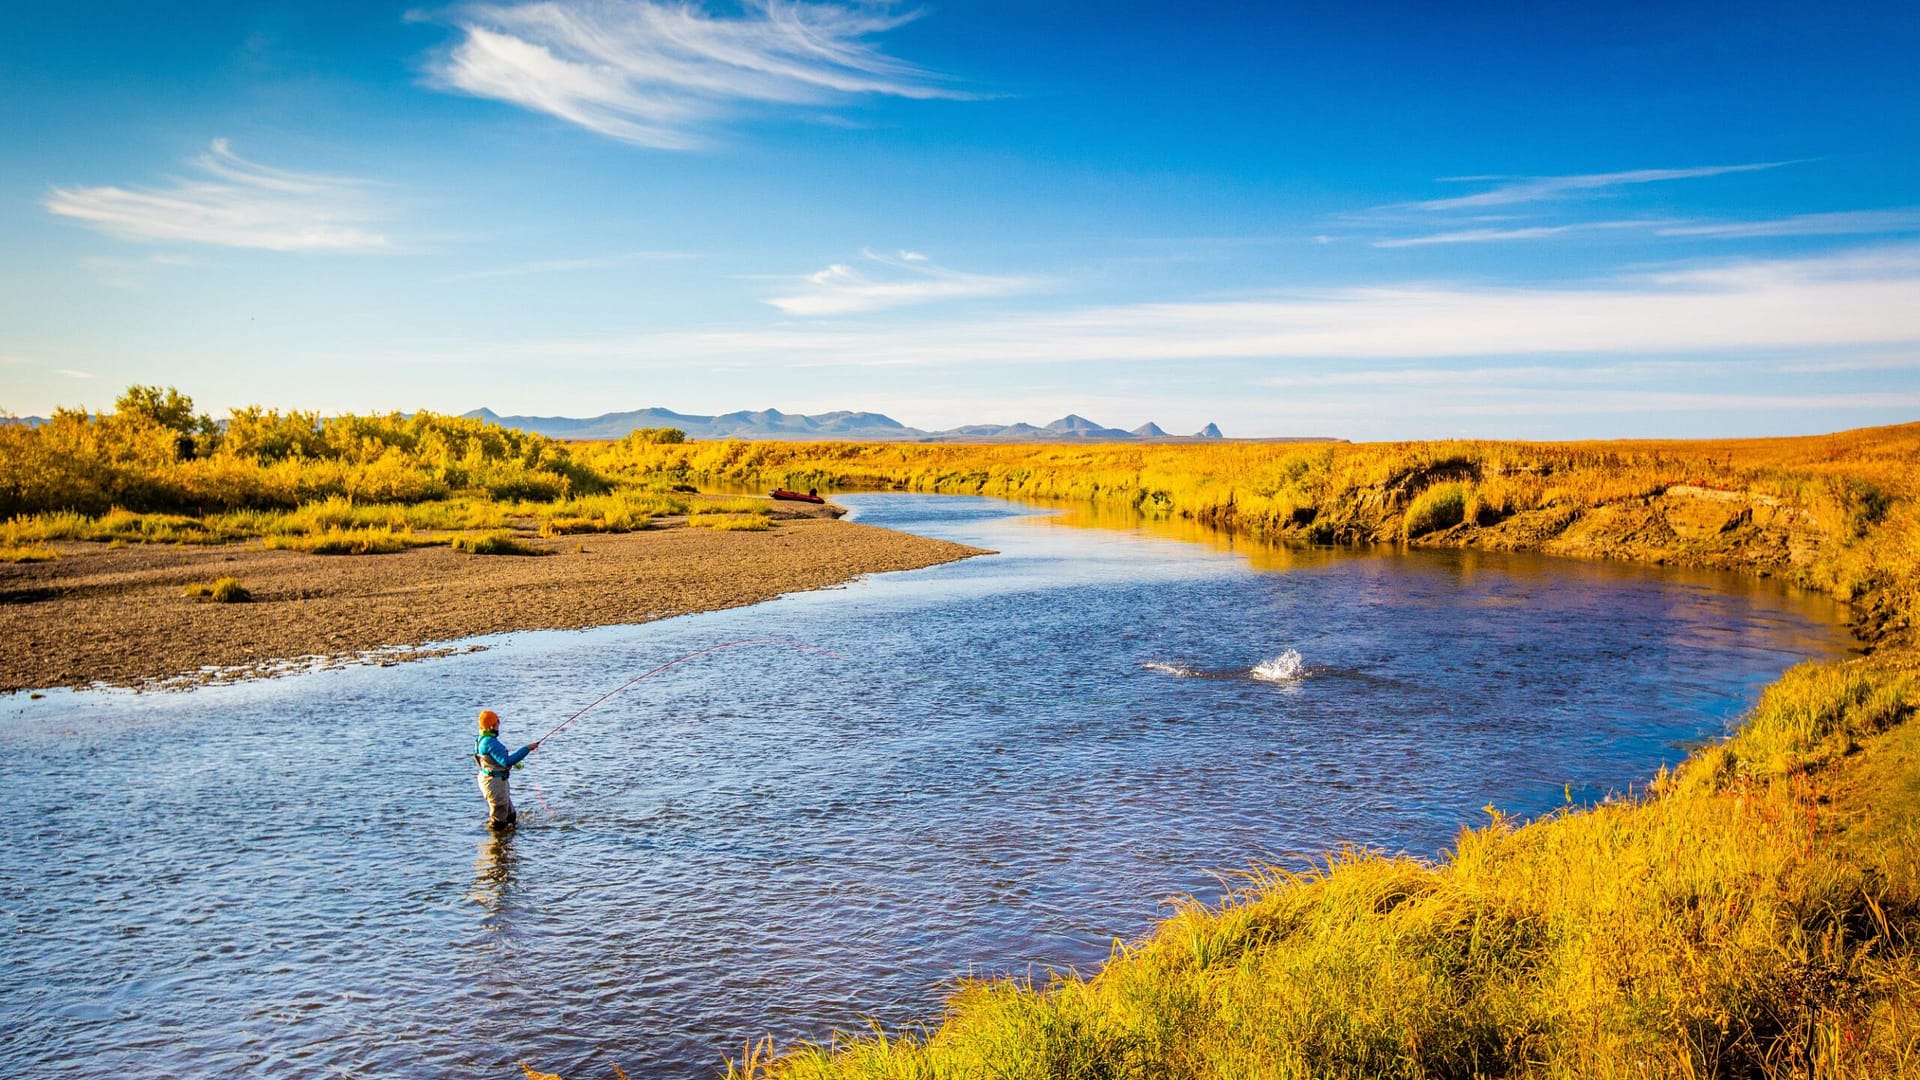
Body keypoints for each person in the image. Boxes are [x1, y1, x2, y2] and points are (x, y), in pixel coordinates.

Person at [474, 709, 538, 830]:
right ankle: (496, 844)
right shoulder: (490, 742)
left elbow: (497, 759)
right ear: (492, 725)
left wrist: (514, 762)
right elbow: (507, 761)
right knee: (498, 819)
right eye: (497, 724)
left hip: (492, 779)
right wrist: (527, 749)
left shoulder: (482, 739)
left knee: (510, 815)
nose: (499, 727)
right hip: (494, 783)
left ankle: (508, 841)